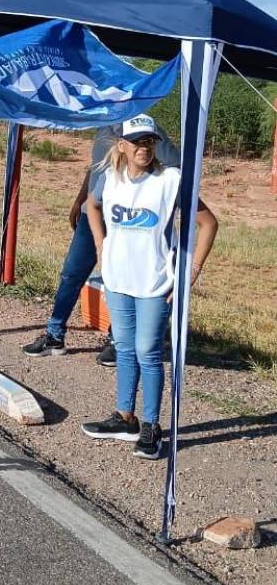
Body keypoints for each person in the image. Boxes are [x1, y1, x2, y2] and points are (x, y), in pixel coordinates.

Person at [81, 113, 218, 460]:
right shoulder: (110, 178)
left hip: (155, 282)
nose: (144, 147)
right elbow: (91, 206)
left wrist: (191, 272)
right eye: (137, 141)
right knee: (125, 349)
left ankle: (151, 426)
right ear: (123, 145)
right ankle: (124, 417)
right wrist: (100, 245)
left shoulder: (171, 180)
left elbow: (208, 223)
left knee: (148, 352)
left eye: (150, 141)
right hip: (117, 280)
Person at [23, 120, 179, 363]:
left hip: (130, 218)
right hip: (93, 214)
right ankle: (54, 336)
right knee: (71, 273)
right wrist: (80, 200)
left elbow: (174, 167)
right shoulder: (104, 126)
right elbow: (94, 168)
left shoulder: (148, 130)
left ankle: (118, 342)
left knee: (122, 280)